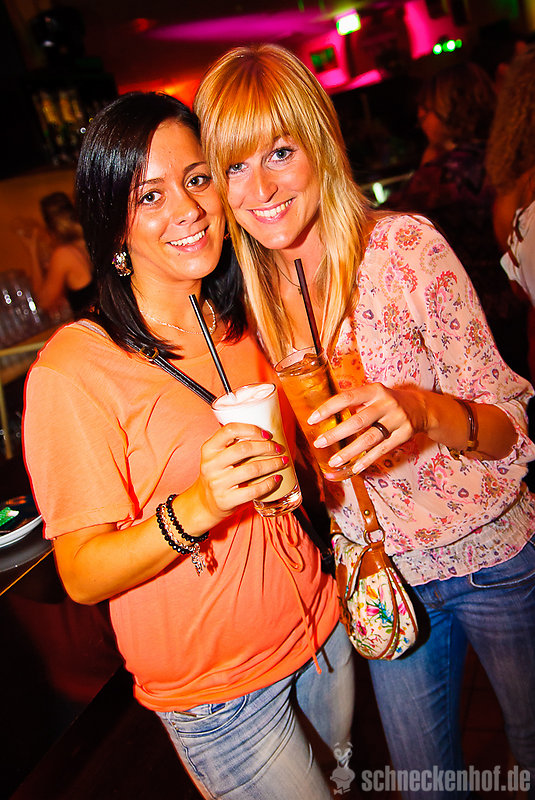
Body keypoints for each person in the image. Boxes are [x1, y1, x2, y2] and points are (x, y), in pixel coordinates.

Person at [195, 44, 535, 800]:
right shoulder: (252, 298)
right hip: (379, 572)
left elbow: (511, 429)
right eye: (235, 165)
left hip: (491, 556)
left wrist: (420, 410)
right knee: (425, 786)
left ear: (318, 142)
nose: (261, 189)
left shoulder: (404, 248)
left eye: (279, 152)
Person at [22, 91, 355, 800]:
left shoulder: (241, 319)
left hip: (319, 631)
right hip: (221, 693)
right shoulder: (75, 368)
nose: (189, 208)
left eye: (198, 178)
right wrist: (200, 506)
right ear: (113, 226)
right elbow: (81, 574)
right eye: (149, 195)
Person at [391, 61, 530, 381]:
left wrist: (427, 163)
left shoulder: (441, 175)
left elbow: (388, 221)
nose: (420, 118)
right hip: (517, 298)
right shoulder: (507, 156)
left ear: (451, 109)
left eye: (427, 109)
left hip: (474, 310)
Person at [19, 191, 96, 318]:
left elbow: (43, 303)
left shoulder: (64, 254)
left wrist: (32, 251)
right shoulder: (89, 242)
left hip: (95, 326)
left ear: (49, 228)